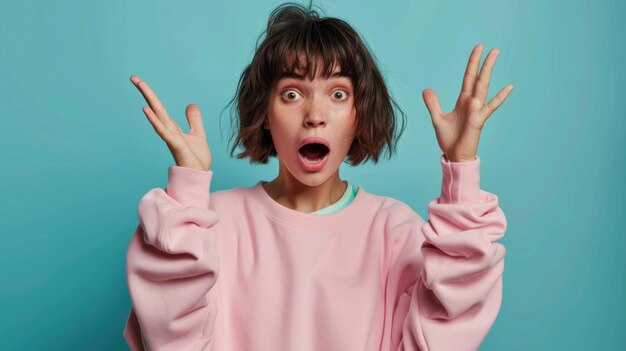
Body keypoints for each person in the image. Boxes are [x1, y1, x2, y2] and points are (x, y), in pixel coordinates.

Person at [122, 2, 512, 350]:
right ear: (264, 113)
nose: (314, 114)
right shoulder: (211, 225)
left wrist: (461, 169)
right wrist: (188, 188)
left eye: (338, 94)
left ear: (361, 115)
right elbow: (169, 338)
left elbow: (443, 334)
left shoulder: (395, 232)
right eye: (292, 93)